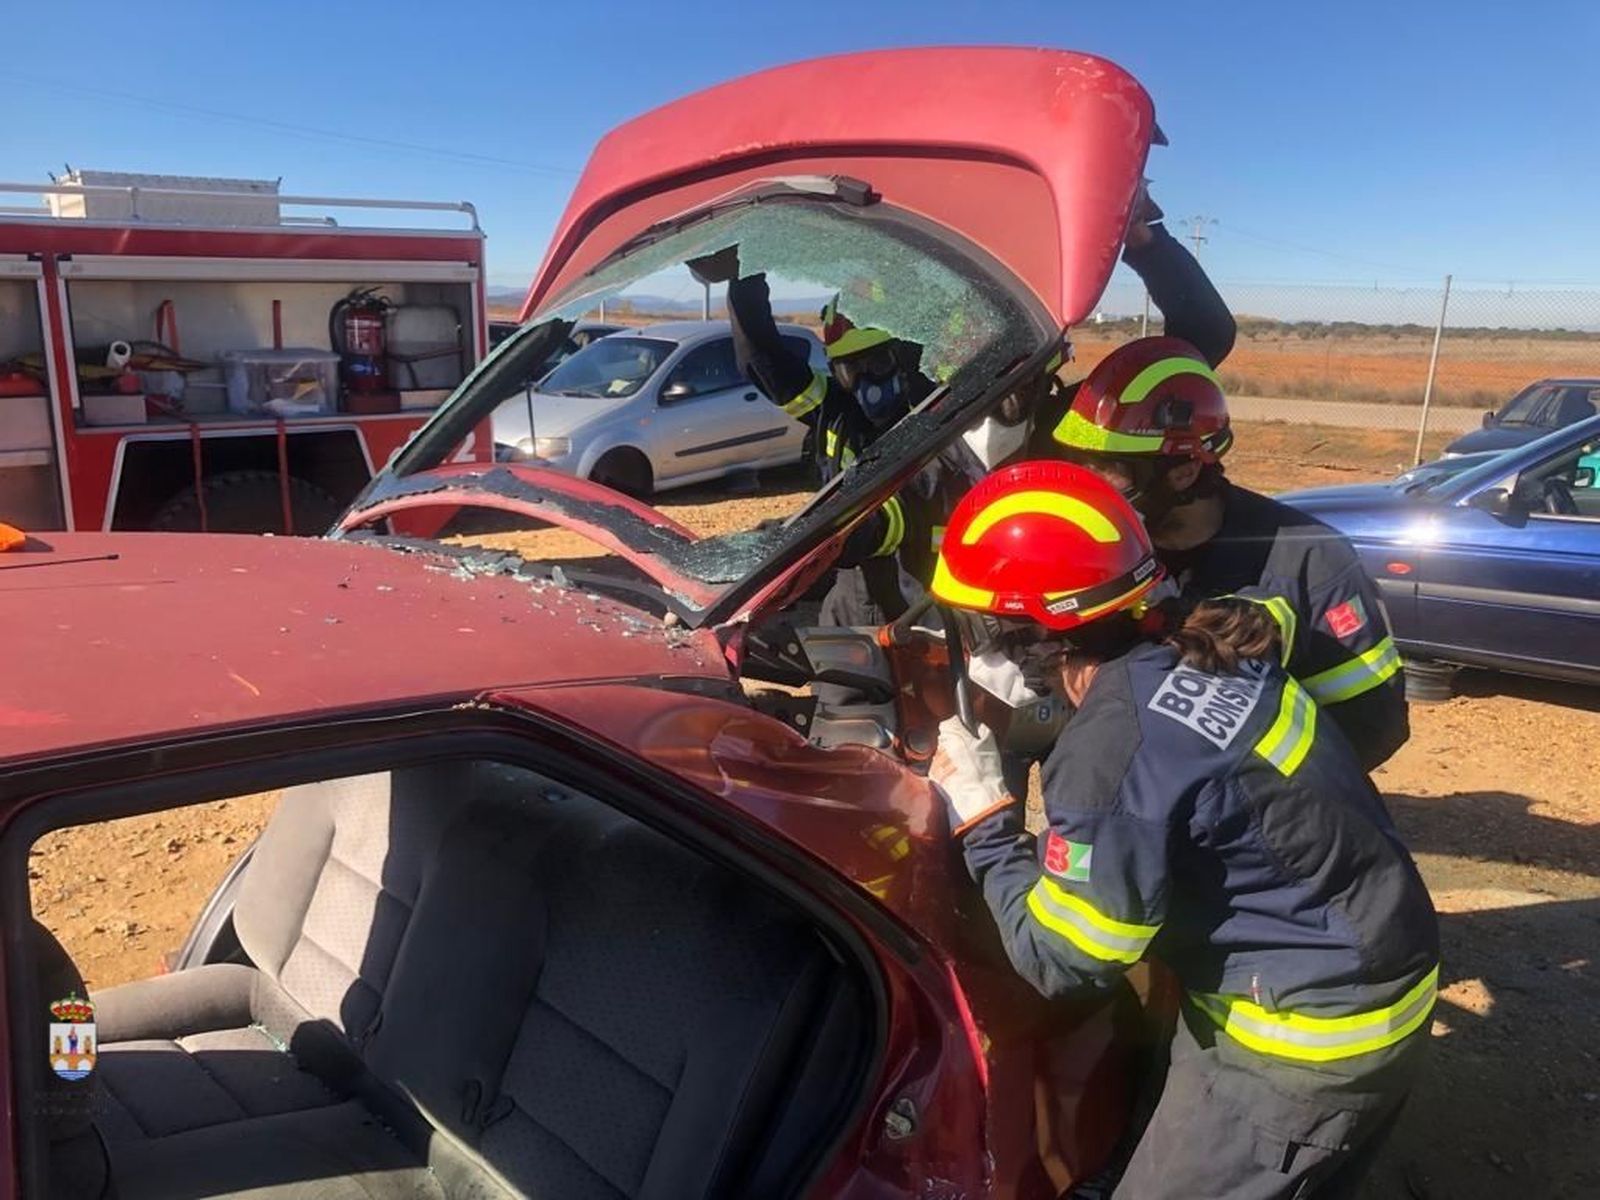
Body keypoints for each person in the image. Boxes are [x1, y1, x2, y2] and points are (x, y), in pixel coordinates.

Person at [929, 460, 1438, 1200]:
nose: (980, 649)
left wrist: (982, 823)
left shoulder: (1112, 745)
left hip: (1302, 1046)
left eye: (985, 627)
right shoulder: (1208, 645)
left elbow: (1064, 960)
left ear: (1042, 632)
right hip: (1376, 973)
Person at [1042, 335, 1409, 771]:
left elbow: (1373, 724)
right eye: (1081, 464)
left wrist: (1239, 785)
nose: (1089, 490)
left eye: (1110, 470)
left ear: (1184, 470)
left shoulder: (1310, 559)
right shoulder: (1098, 550)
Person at [689, 246, 972, 623]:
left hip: (926, 615)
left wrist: (787, 541)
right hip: (850, 608)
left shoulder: (944, 427)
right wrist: (745, 275)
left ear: (909, 360)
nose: (865, 383)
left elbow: (889, 517)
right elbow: (762, 361)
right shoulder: (838, 412)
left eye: (877, 364)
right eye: (849, 371)